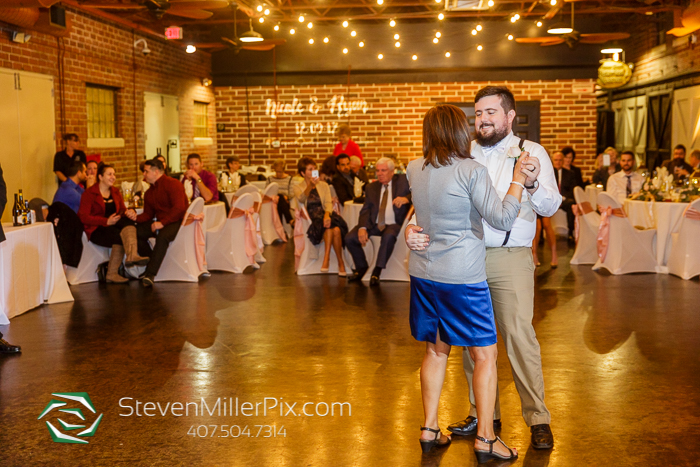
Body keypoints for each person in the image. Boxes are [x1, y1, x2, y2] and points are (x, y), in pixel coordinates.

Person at [408, 86, 560, 450]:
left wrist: (533, 180)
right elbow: (434, 203)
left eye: (491, 112)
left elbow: (551, 206)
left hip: (508, 259)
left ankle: (537, 417)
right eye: (477, 113)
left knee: (519, 338)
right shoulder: (465, 153)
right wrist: (411, 230)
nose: (483, 119)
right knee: (470, 344)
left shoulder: (531, 153)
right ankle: (483, 417)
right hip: (464, 261)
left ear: (510, 116)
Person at [78, 163, 149, 283]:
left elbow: (121, 210)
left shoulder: (115, 192)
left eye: (114, 174)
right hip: (97, 229)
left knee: (127, 223)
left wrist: (128, 212)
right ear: (100, 177)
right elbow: (83, 217)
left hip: (113, 226)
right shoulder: (89, 194)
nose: (113, 177)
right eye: (109, 174)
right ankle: (113, 272)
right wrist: (106, 221)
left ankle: (130, 257)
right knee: (120, 236)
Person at [345, 157, 412, 285]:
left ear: (392, 172)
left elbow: (418, 193)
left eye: (383, 170)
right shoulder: (371, 187)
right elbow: (366, 210)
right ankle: (361, 267)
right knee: (350, 238)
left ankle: (377, 271)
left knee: (389, 236)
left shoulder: (403, 181)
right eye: (378, 170)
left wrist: (406, 199)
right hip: (374, 224)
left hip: (394, 223)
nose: (379, 174)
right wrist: (362, 227)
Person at [125, 158, 188, 287]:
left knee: (163, 236)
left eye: (146, 171)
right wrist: (135, 217)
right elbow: (148, 215)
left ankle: (150, 274)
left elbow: (179, 209)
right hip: (161, 222)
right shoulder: (149, 193)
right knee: (137, 232)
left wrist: (162, 223)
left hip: (178, 221)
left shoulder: (173, 184)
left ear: (156, 171)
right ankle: (151, 260)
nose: (144, 174)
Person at [293, 157, 348, 275]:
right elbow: (301, 199)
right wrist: (310, 186)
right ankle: (340, 263)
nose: (313, 171)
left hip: (325, 214)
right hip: (312, 218)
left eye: (314, 168)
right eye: (310, 169)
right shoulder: (298, 187)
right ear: (303, 173)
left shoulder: (323, 185)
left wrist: (327, 215)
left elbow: (328, 203)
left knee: (336, 229)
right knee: (334, 230)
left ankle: (327, 259)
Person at [552, 151, 577, 242]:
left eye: (560, 160)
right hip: (552, 199)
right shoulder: (548, 173)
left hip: (564, 199)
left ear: (563, 161)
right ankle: (541, 236)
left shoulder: (570, 174)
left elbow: (573, 190)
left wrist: (562, 197)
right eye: (556, 160)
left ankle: (570, 232)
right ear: (552, 161)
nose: (558, 162)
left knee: (572, 204)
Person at [266, 159, 294, 225]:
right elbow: (266, 193)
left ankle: (280, 230)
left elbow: (292, 194)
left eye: (280, 172)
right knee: (279, 197)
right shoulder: (270, 179)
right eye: (277, 171)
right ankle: (290, 220)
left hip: (285, 201)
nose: (278, 174)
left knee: (280, 198)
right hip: (272, 201)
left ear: (283, 170)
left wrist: (286, 197)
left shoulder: (289, 179)